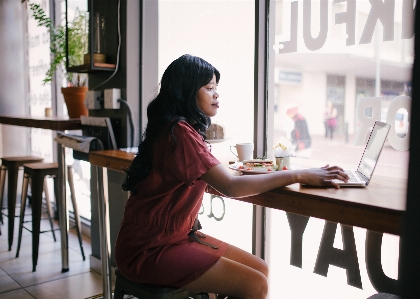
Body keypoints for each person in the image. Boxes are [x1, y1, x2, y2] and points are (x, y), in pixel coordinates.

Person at [115, 54, 348, 299]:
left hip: (169, 236)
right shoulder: (179, 132)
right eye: (209, 87)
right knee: (255, 284)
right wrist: (298, 175)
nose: (216, 94)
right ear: (186, 92)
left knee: (260, 269)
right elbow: (231, 186)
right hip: (150, 247)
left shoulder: (176, 128)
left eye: (216, 88)